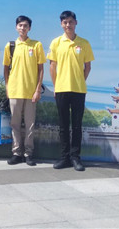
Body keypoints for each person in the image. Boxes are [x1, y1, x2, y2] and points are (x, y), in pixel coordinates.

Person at [48, 10, 94, 171]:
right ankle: (64, 157)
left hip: (79, 90)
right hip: (61, 89)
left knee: (76, 126)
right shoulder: (56, 43)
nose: (68, 25)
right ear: (61, 24)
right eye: (65, 22)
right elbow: (52, 66)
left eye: (71, 22)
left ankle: (75, 157)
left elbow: (88, 67)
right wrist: (56, 86)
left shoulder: (84, 43)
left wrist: (80, 80)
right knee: (63, 125)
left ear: (76, 23)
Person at [3, 15, 45, 166]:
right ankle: (16, 153)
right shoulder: (10, 46)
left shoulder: (36, 45)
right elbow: (5, 68)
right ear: (16, 27)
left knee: (30, 125)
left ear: (29, 28)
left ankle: (28, 153)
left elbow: (41, 69)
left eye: (25, 25)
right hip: (14, 90)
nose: (23, 28)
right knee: (14, 124)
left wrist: (38, 89)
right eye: (20, 25)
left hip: (31, 92)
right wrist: (7, 87)